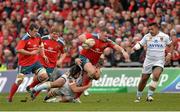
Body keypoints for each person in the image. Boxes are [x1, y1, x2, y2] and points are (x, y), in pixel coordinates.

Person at [75, 28, 130, 100]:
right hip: (84, 58)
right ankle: (83, 84)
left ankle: (77, 97)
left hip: (93, 62)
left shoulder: (107, 41)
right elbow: (80, 37)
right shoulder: (92, 36)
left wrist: (123, 51)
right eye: (105, 36)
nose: (106, 38)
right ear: (100, 33)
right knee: (91, 72)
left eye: (107, 36)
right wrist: (86, 42)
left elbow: (116, 46)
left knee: (96, 76)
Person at [7, 23, 49, 102]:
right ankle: (10, 97)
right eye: (34, 31)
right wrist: (30, 53)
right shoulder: (25, 38)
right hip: (24, 64)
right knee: (19, 80)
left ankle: (30, 86)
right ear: (29, 30)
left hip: (35, 61)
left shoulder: (38, 36)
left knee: (45, 76)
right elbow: (18, 50)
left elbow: (41, 45)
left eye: (37, 31)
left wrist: (43, 55)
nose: (36, 33)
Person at [132, 22, 173, 102]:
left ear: (157, 28)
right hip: (148, 60)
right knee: (144, 79)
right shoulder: (147, 36)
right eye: (149, 29)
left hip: (159, 60)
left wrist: (169, 54)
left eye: (152, 29)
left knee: (156, 75)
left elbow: (170, 45)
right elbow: (140, 44)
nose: (150, 31)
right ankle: (138, 96)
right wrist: (136, 47)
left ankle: (149, 95)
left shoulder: (164, 36)